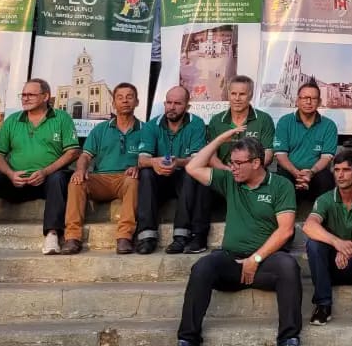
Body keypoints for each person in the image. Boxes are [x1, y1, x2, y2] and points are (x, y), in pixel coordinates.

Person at [178, 134, 300, 346]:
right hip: (231, 261)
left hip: (265, 263)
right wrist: (220, 139)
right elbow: (192, 167)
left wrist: (256, 259)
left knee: (288, 266)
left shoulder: (281, 185)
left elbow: (286, 230)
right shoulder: (229, 180)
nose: (232, 168)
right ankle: (187, 338)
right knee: (202, 267)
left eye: (238, 163)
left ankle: (289, 337)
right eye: (231, 162)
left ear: (256, 163)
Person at [0, 79, 79, 257]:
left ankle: (52, 235)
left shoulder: (61, 118)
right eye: (23, 95)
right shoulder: (13, 120)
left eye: (30, 95)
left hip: (48, 181)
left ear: (45, 97)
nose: (25, 98)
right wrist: (10, 174)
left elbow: (73, 152)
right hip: (16, 181)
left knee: (58, 178)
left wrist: (45, 172)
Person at [302, 150, 352, 326]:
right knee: (313, 244)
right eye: (337, 170)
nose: (340, 175)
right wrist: (338, 243)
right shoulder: (325, 199)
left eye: (346, 170)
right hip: (331, 267)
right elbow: (308, 226)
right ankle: (323, 305)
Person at [63, 82, 143, 255]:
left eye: (129, 97)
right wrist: (80, 170)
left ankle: (124, 237)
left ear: (137, 102)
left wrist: (138, 166)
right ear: (113, 103)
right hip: (101, 179)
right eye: (120, 98)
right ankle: (72, 237)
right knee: (76, 181)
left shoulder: (146, 129)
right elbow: (85, 156)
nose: (125, 101)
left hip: (126, 179)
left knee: (133, 181)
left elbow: (150, 158)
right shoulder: (100, 129)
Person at [135, 86, 211, 255]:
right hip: (160, 178)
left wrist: (178, 162)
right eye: (169, 102)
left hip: (183, 178)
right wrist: (155, 162)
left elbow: (198, 160)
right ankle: (147, 237)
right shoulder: (152, 125)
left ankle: (181, 236)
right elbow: (142, 159)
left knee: (192, 173)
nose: (172, 107)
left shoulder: (196, 123)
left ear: (187, 106)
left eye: (177, 103)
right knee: (146, 173)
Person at [273, 81, 339, 203]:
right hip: (289, 171)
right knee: (281, 180)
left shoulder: (329, 125)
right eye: (304, 98)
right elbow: (280, 155)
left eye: (313, 98)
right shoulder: (284, 122)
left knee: (327, 179)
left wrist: (311, 173)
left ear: (319, 102)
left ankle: (320, 213)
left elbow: (326, 157)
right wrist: (296, 173)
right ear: (297, 101)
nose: (308, 102)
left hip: (316, 172)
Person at [204, 75, 275, 166]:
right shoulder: (216, 120)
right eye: (233, 94)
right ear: (228, 94)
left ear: (251, 95)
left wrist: (249, 171)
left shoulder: (264, 119)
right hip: (223, 172)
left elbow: (268, 154)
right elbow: (210, 155)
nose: (237, 98)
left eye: (242, 94)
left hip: (253, 171)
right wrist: (225, 170)